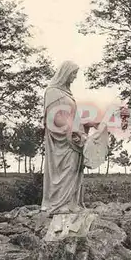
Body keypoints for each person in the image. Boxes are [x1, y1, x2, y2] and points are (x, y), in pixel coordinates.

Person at [41, 60, 87, 213]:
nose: (74, 77)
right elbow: (53, 117)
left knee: (73, 168)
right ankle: (59, 204)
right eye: (73, 73)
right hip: (61, 139)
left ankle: (71, 202)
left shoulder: (67, 93)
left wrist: (84, 127)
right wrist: (71, 130)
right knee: (64, 169)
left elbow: (73, 116)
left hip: (72, 138)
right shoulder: (52, 91)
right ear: (65, 73)